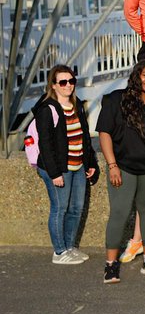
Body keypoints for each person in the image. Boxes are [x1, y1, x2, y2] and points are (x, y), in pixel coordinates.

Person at [98, 62, 145, 283]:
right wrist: (112, 165)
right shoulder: (116, 99)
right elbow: (104, 134)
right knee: (120, 212)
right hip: (122, 166)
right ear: (136, 76)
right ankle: (110, 265)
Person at [31, 65, 98, 264]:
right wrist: (54, 173)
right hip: (59, 168)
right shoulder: (47, 109)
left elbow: (85, 137)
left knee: (76, 208)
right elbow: (46, 144)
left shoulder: (77, 105)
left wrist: (90, 162)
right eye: (63, 82)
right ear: (53, 85)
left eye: (71, 81)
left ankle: (70, 247)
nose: (68, 85)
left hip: (78, 166)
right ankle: (59, 252)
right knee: (59, 209)